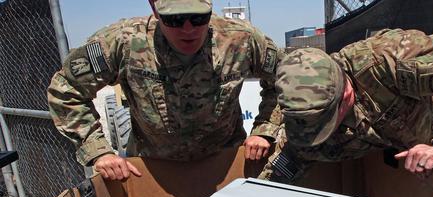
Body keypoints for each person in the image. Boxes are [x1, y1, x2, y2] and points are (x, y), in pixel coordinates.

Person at [48, 0, 283, 180]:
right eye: (175, 19)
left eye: (198, 18)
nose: (188, 29)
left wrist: (264, 128)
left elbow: (285, 80)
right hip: (153, 169)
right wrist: (98, 151)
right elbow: (67, 89)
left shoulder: (240, 39)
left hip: (224, 163)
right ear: (153, 6)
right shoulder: (124, 41)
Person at [258, 28, 433, 183]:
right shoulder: (308, 107)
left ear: (346, 93)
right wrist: (261, 192)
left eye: (325, 122)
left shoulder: (388, 61)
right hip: (385, 151)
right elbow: (297, 152)